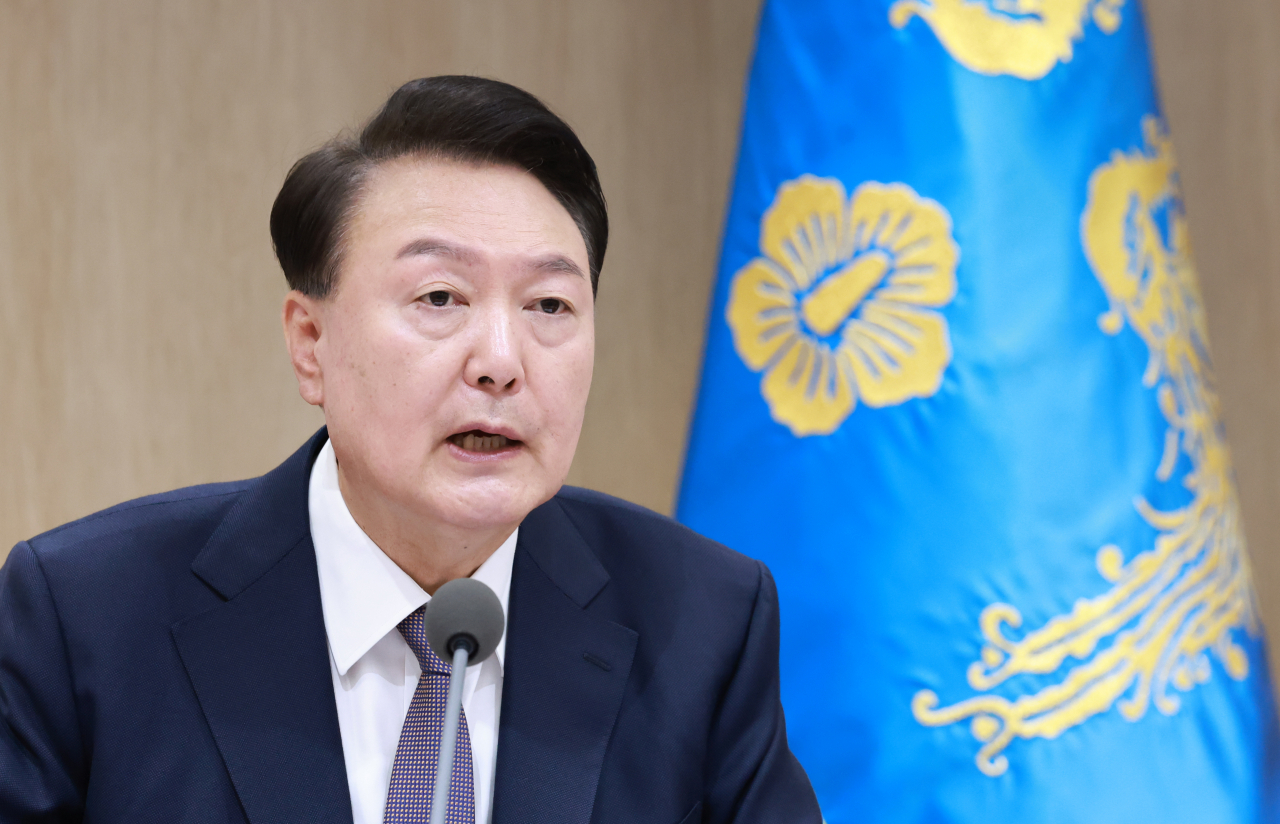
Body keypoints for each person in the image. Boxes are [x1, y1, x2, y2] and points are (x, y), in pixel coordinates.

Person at [0, 76, 822, 823]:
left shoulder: (702, 621)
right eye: (440, 297)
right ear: (310, 343)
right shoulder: (85, 617)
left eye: (549, 304)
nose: (501, 361)